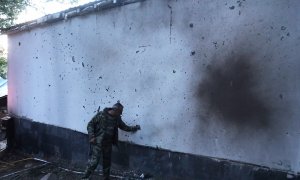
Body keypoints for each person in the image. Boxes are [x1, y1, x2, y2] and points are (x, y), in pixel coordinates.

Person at [82, 101, 141, 180]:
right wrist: (92, 136)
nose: (120, 114)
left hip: (108, 143)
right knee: (94, 162)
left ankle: (106, 178)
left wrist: (134, 128)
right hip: (97, 142)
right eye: (120, 112)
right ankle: (85, 178)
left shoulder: (117, 118)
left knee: (107, 162)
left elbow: (124, 127)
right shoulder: (101, 115)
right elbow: (90, 124)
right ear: (115, 110)